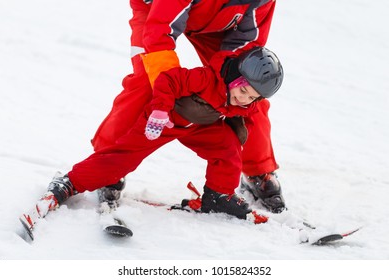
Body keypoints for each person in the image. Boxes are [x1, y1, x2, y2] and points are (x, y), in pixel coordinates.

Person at [20, 46, 284, 229]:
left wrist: (238, 130)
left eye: (252, 98)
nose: (244, 99)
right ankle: (68, 183)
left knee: (226, 148)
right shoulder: (204, 78)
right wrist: (159, 109)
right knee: (122, 159)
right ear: (235, 77)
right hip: (164, 120)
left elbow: (240, 115)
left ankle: (219, 195)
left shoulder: (241, 99)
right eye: (243, 90)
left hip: (199, 126)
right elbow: (169, 80)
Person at [92, 0, 285, 213]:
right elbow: (160, 30)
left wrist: (226, 81)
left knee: (247, 89)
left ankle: (258, 172)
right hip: (156, 13)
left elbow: (249, 40)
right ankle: (106, 165)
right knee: (147, 85)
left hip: (218, 24)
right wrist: (169, 94)